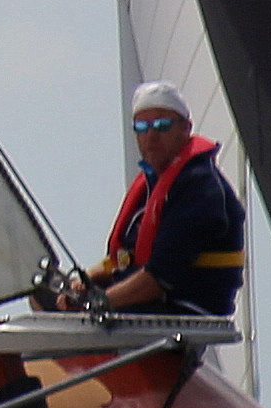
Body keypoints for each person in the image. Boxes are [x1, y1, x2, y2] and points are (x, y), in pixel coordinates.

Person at [83, 82, 251, 319]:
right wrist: (84, 279)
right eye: (141, 127)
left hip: (184, 307)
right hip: (147, 301)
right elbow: (125, 258)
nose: (150, 136)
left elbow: (158, 278)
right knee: (43, 294)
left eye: (162, 125)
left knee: (77, 311)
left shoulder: (200, 188)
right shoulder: (152, 186)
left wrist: (97, 303)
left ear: (186, 128)